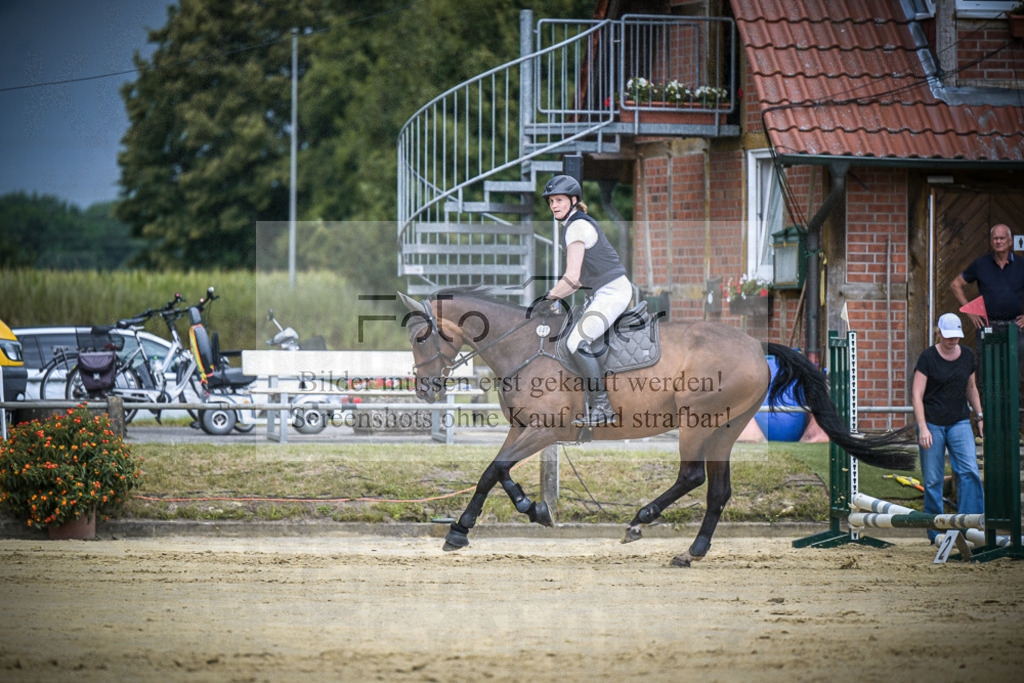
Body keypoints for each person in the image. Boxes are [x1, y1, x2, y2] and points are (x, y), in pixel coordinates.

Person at [540, 174, 632, 427]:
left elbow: (572, 277)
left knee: (576, 341)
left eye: (559, 200)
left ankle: (602, 407)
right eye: (551, 201)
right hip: (603, 292)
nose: (554, 205)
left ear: (573, 200)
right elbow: (576, 281)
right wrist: (553, 296)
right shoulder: (573, 224)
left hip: (613, 291)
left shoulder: (577, 227)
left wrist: (549, 297)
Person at [911, 312, 984, 544]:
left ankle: (971, 527)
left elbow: (971, 388)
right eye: (948, 336)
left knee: (969, 471)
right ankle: (936, 534)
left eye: (957, 337)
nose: (953, 341)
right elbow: (916, 394)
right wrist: (923, 427)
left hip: (960, 421)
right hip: (931, 422)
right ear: (939, 333)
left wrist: (979, 416)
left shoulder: (968, 356)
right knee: (933, 479)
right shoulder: (928, 357)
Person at [950, 223, 1024, 378]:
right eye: (995, 238)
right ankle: (984, 404)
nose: (998, 241)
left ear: (1010, 241)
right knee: (987, 375)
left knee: (1013, 375)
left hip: (1014, 327)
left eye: (1002, 238)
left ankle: (1013, 404)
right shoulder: (980, 264)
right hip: (987, 326)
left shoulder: (1021, 265)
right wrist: (970, 312)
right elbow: (955, 285)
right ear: (991, 242)